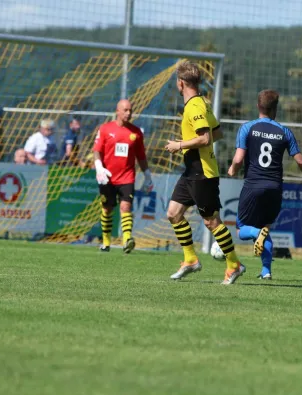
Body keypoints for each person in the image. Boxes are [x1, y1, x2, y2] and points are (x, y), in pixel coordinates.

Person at [164, 60, 244, 285]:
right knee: (173, 213)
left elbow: (207, 138)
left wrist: (179, 145)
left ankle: (234, 264)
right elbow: (217, 134)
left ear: (180, 83)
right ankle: (190, 260)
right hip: (191, 171)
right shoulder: (202, 103)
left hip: (202, 172)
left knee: (212, 222)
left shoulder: (196, 106)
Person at [227, 90, 302, 279]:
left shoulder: (247, 128)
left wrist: (232, 169)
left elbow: (239, 158)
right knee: (266, 227)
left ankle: (257, 232)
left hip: (253, 185)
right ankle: (266, 271)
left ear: (258, 106)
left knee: (242, 230)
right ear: (276, 108)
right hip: (275, 188)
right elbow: (300, 161)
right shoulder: (284, 132)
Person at [93, 99, 153, 253]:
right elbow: (97, 150)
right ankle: (106, 242)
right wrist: (99, 168)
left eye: (130, 110)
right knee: (107, 209)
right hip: (108, 177)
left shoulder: (136, 132)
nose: (129, 113)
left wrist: (147, 175)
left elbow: (141, 156)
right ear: (117, 111)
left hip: (127, 177)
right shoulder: (105, 129)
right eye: (125, 110)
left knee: (126, 207)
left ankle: (127, 239)